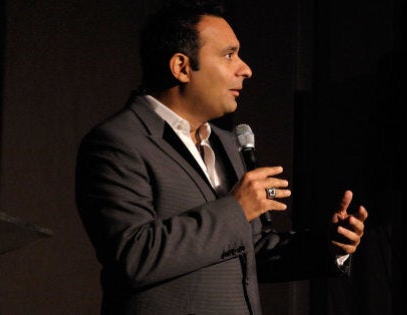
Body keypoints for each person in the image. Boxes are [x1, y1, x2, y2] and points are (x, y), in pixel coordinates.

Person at [75, 0, 368, 314]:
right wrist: (237, 209)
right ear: (182, 67)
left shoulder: (226, 144)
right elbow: (133, 256)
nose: (246, 69)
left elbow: (249, 251)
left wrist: (328, 247)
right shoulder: (118, 142)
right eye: (229, 55)